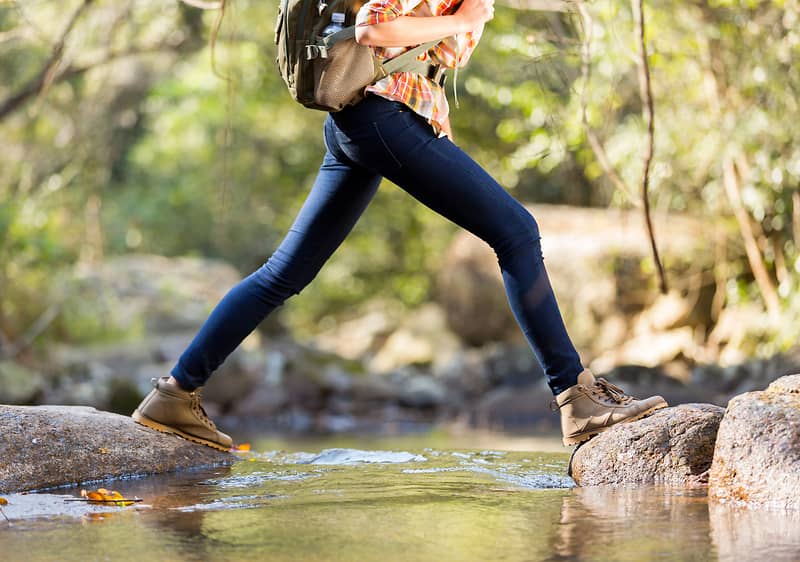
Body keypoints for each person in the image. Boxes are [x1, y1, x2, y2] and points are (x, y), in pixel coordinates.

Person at [132, 0, 667, 451]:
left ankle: (174, 395)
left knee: (282, 273)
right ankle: (577, 400)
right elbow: (373, 25)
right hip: (384, 116)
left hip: (362, 122)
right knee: (518, 232)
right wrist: (461, 20)